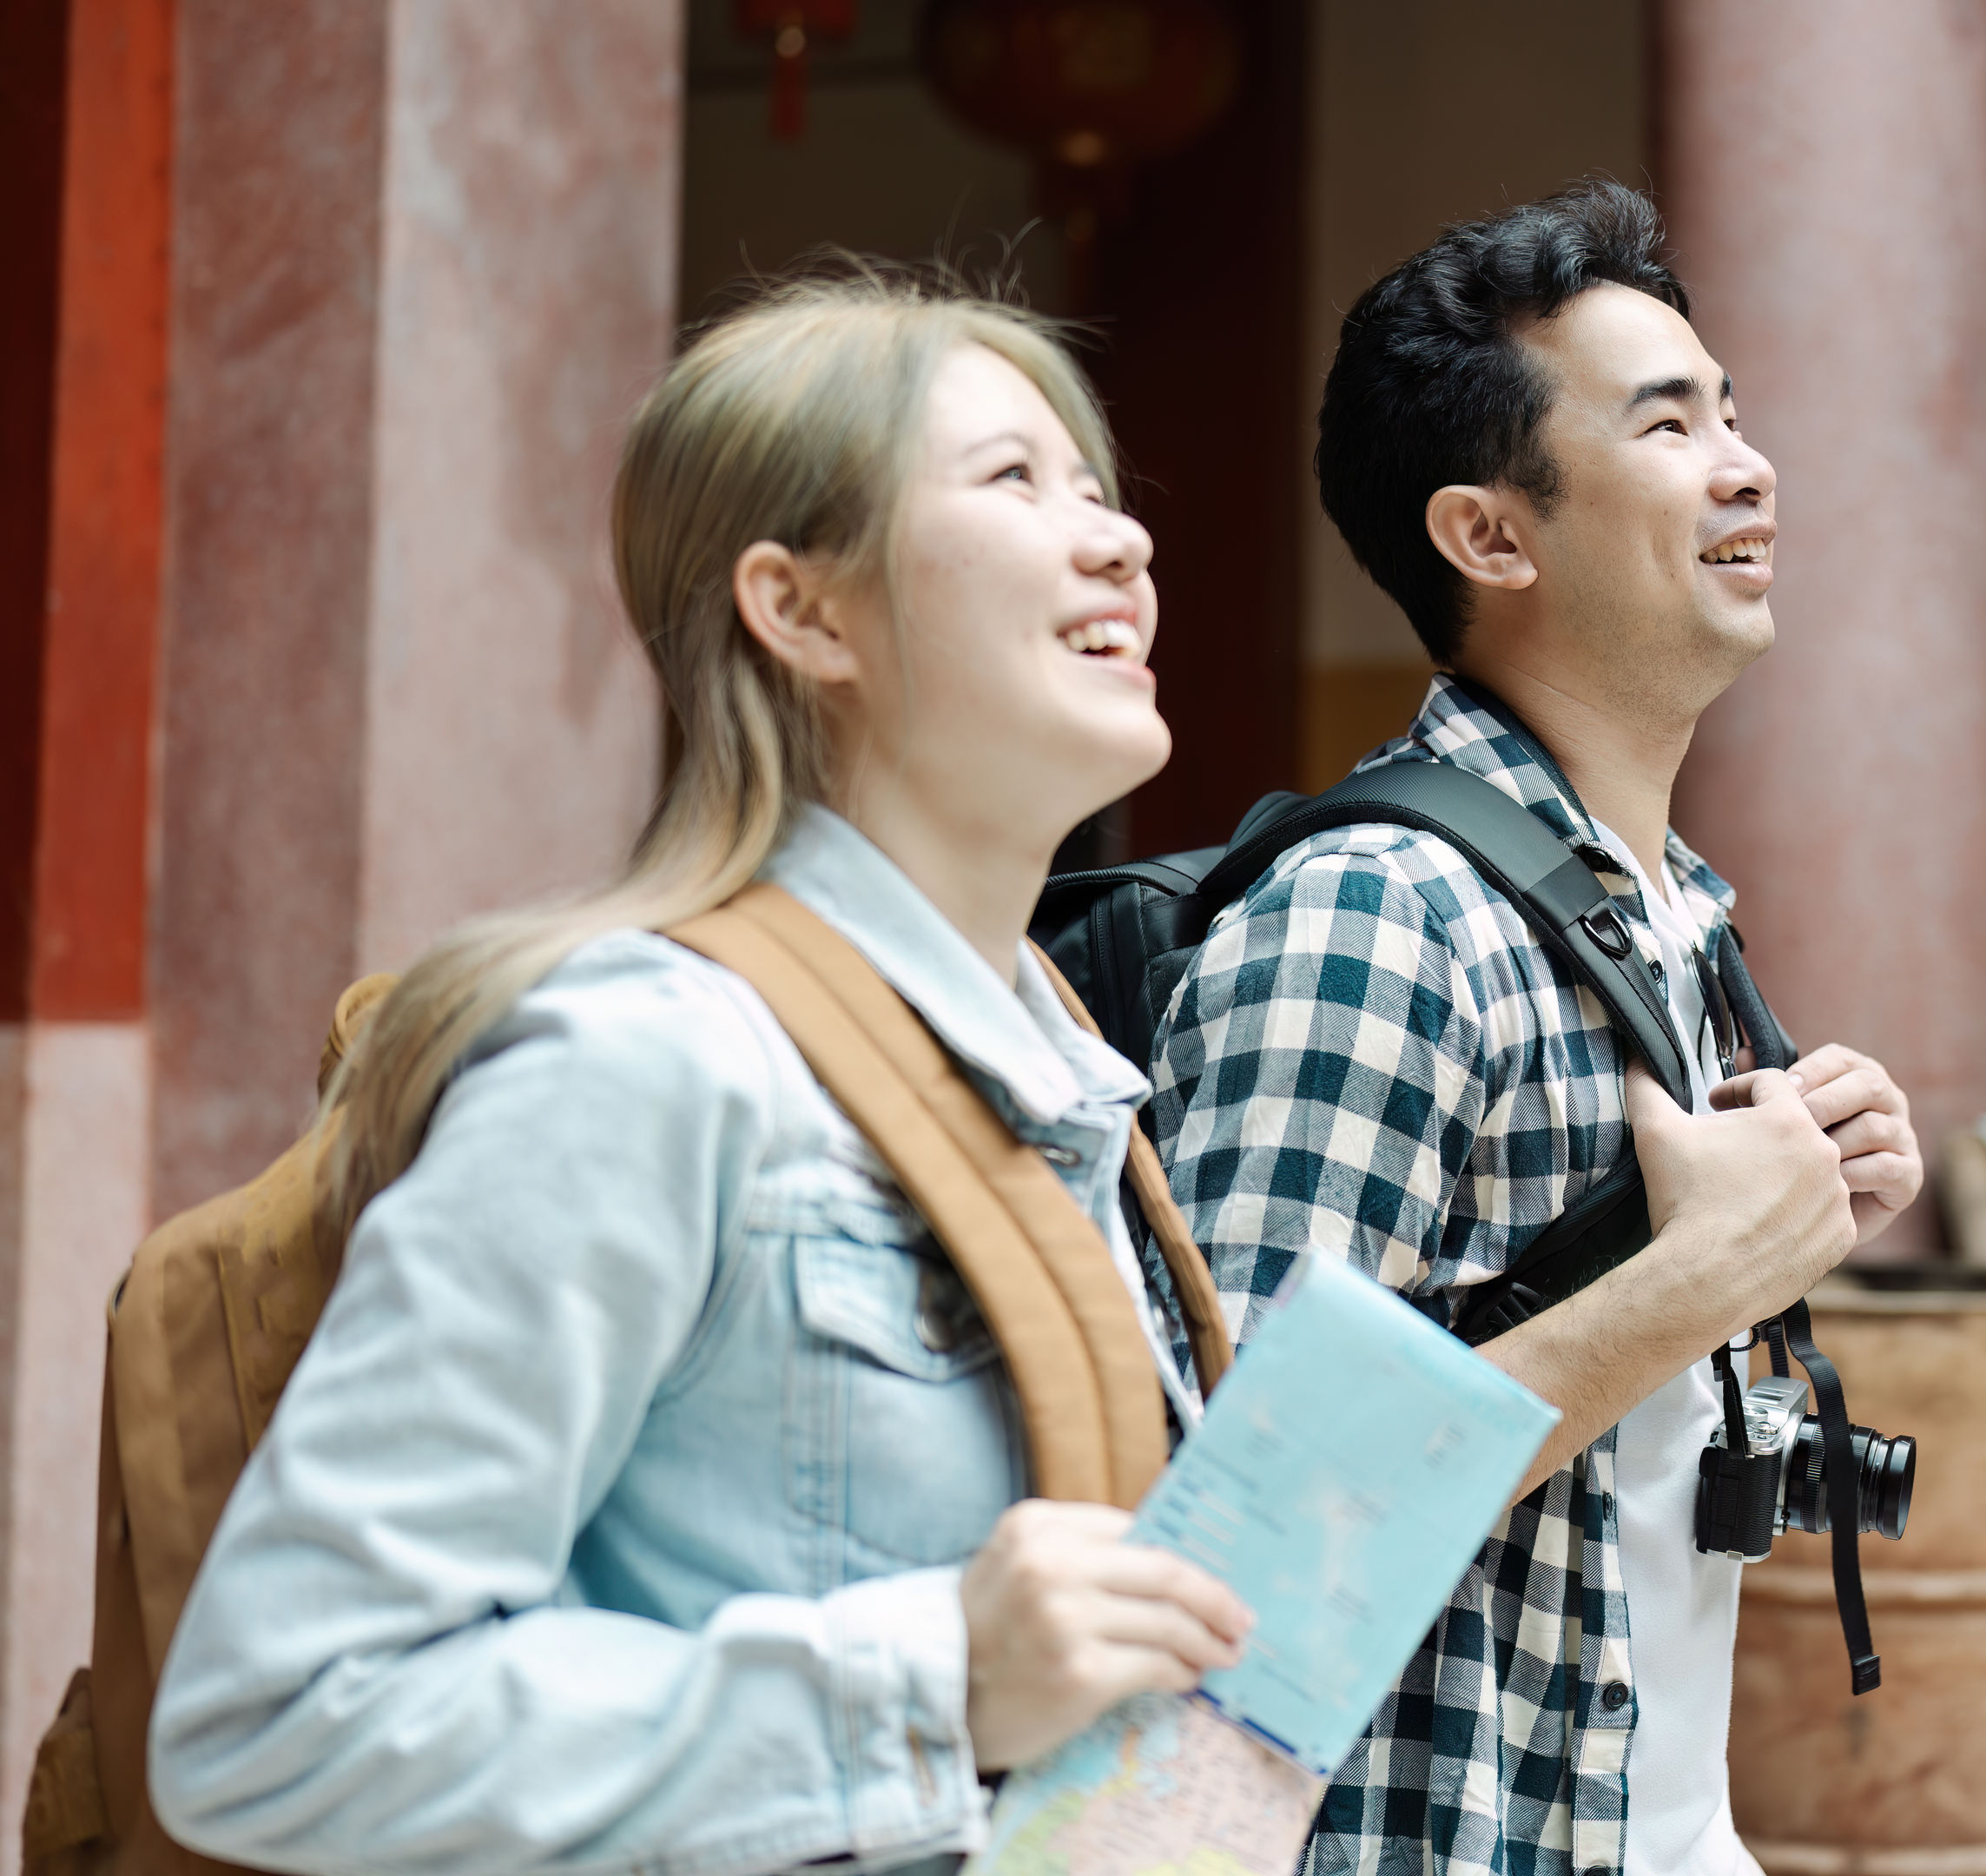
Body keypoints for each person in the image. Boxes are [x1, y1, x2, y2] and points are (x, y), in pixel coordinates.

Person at [149, 273, 1247, 1873]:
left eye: (1096, 487)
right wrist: (935, 1680)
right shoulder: (650, 1054)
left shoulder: (1069, 1078)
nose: (1121, 540)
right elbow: (280, 1714)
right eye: (1015, 479)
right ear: (802, 612)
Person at [1146, 182, 1928, 1876]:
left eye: (1732, 410)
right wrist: (1698, 1280)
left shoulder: (1673, 915)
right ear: (1490, 537)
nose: (1747, 465)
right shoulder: (1377, 916)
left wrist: (1787, 1205)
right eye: (1668, 424)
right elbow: (1232, 1537)